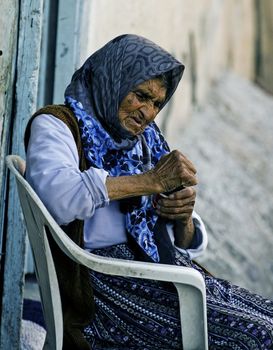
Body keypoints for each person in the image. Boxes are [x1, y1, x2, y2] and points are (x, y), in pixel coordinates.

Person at [25, 34, 273, 349]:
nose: (148, 112)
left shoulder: (144, 140)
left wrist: (182, 218)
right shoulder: (58, 125)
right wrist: (153, 181)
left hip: (164, 270)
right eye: (141, 95)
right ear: (113, 80)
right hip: (107, 286)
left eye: (157, 103)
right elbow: (58, 197)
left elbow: (185, 243)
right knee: (260, 337)